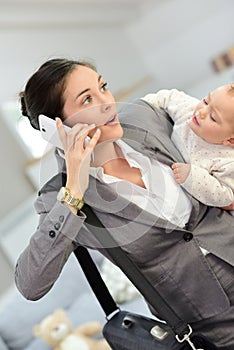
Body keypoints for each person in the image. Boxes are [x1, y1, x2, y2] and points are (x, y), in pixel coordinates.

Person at [15, 58, 234, 349]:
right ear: (56, 129)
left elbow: (222, 131)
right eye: (88, 99)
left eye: (102, 86)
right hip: (212, 326)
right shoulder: (63, 199)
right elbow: (30, 285)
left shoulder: (146, 117)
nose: (107, 102)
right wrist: (75, 189)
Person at [142, 87, 234, 208]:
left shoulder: (227, 161)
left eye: (213, 117)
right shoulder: (188, 110)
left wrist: (193, 177)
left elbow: (226, 196)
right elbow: (169, 96)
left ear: (230, 140)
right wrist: (145, 104)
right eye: (206, 101)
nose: (202, 112)